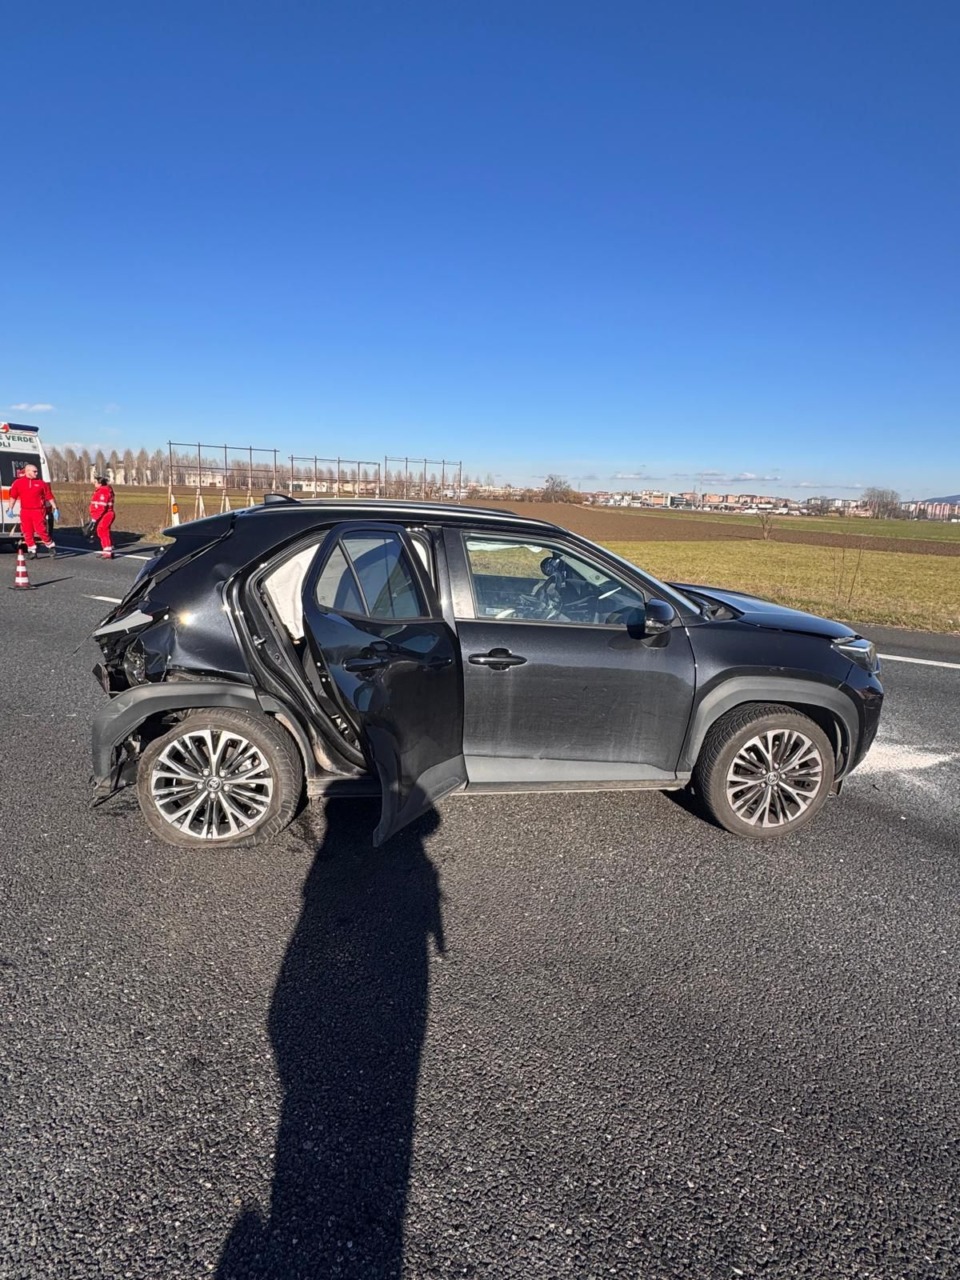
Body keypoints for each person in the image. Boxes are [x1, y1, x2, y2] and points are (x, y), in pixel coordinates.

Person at [7, 462, 58, 557]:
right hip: (25, 511)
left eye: (37, 471)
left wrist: (55, 508)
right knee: (27, 531)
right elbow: (13, 496)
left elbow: (49, 496)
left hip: (38, 510)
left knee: (40, 530)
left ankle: (50, 545)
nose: (36, 473)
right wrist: (10, 508)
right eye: (34, 471)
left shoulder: (41, 483)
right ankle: (32, 550)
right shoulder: (18, 483)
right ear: (27, 471)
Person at [89, 474, 116, 559]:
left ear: (100, 483)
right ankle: (106, 550)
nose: (94, 484)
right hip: (105, 514)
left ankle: (108, 551)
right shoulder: (102, 490)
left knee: (103, 530)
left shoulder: (103, 492)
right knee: (101, 530)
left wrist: (94, 518)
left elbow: (101, 507)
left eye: (95, 482)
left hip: (106, 514)